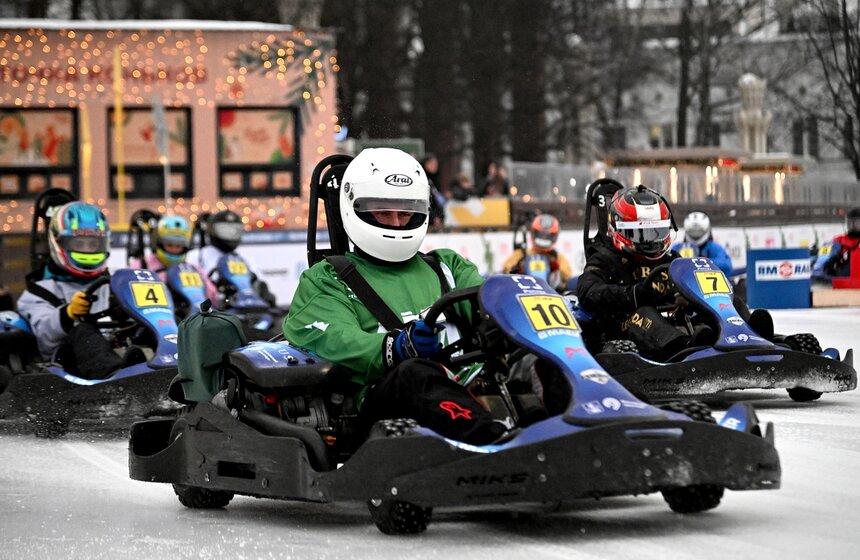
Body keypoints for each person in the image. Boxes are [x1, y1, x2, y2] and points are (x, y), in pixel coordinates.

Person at [283, 147, 511, 446]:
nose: (396, 223)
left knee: (530, 356)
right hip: (386, 401)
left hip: (470, 379)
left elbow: (488, 302)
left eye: (406, 213)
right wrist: (397, 346)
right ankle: (494, 443)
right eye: (383, 212)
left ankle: (575, 425)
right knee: (414, 373)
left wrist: (505, 323)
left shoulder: (446, 265)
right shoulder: (329, 278)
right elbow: (334, 340)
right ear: (355, 210)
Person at [576, 185, 712, 362]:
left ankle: (748, 330)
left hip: (675, 321)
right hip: (626, 325)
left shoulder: (669, 259)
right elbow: (587, 291)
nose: (650, 241)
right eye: (641, 234)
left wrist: (688, 296)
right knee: (645, 313)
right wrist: (633, 294)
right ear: (619, 230)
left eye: (656, 232)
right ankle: (685, 349)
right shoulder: (605, 259)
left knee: (714, 299)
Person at [16, 202, 143, 378]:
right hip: (65, 367)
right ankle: (117, 382)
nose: (87, 250)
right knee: (83, 330)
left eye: (93, 244)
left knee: (146, 328)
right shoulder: (38, 292)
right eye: (79, 243)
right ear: (58, 243)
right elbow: (44, 335)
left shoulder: (114, 283)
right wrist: (67, 314)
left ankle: (170, 369)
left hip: (115, 353)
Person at [186, 209, 276, 306]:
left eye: (235, 230)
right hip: (209, 309)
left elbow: (260, 286)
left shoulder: (245, 259)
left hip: (243, 307)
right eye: (224, 229)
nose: (230, 234)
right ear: (212, 230)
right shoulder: (197, 256)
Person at [128, 214, 219, 304]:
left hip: (189, 316)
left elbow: (214, 298)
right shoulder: (141, 266)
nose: (174, 249)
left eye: (178, 245)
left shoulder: (192, 270)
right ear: (159, 243)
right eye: (169, 244)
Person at [501, 214, 573, 291]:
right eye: (541, 235)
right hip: (522, 293)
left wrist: (556, 269)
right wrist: (517, 270)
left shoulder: (557, 257)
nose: (543, 238)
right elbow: (505, 270)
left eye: (547, 236)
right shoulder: (522, 254)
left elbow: (567, 275)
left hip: (552, 294)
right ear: (533, 233)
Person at [818, 207, 860, 278]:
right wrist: (831, 260)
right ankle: (821, 273)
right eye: (850, 223)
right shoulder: (839, 239)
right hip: (839, 274)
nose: (853, 226)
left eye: (856, 223)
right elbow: (825, 252)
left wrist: (851, 257)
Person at [420, 153, 446, 227]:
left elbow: (437, 200)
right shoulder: (423, 179)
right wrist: (432, 217)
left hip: (436, 218)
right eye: (431, 164)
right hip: (427, 219)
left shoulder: (435, 180)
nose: (434, 166)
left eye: (435, 164)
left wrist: (440, 216)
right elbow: (424, 201)